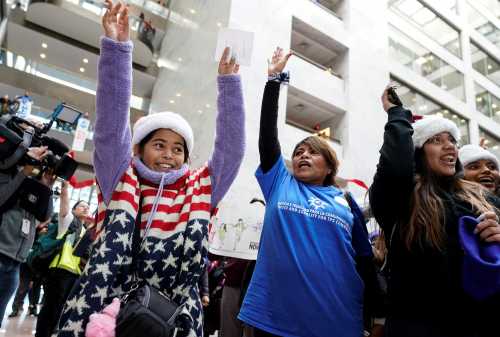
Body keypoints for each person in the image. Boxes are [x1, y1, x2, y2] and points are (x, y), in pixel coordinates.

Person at [57, 1, 245, 336]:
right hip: (107, 306)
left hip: (174, 315)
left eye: (178, 149)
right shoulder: (120, 176)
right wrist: (117, 49)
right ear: (139, 149)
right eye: (159, 145)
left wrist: (229, 86)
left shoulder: (200, 187)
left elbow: (231, 150)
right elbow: (111, 127)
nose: (169, 154)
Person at [238, 48, 364, 337]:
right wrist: (273, 81)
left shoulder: (346, 202)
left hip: (334, 319)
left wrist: (378, 315)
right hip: (273, 318)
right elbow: (267, 135)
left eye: (313, 152)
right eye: (298, 152)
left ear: (330, 166)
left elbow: (364, 259)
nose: (303, 156)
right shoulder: (280, 182)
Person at [369, 88, 500, 337]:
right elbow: (395, 168)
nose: (449, 146)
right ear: (417, 151)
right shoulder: (401, 199)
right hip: (417, 327)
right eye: (436, 140)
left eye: (452, 140)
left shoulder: (482, 197)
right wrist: (398, 115)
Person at [0, 146, 54, 326]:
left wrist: (47, 187)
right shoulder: (8, 172)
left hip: (16, 262)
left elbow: (45, 216)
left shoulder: (38, 184)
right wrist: (24, 171)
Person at [35, 181, 90, 337]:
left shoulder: (86, 231)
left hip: (74, 276)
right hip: (60, 272)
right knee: (51, 308)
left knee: (61, 311)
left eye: (88, 206)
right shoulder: (68, 223)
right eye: (82, 206)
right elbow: (64, 209)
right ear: (74, 210)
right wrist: (65, 189)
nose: (86, 208)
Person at [8, 220, 49, 318]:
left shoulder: (50, 229)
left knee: (36, 287)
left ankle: (32, 308)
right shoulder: (32, 226)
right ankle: (16, 308)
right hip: (27, 262)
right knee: (23, 286)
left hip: (40, 263)